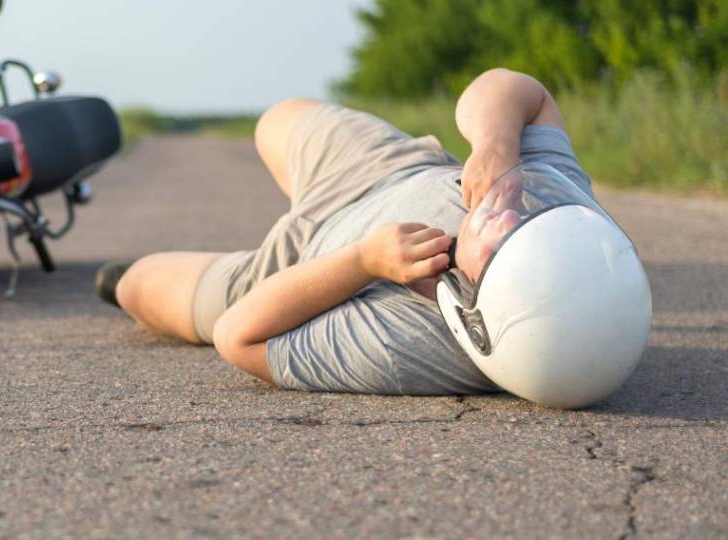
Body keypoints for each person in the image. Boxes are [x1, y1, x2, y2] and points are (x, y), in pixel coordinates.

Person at [97, 68, 603, 397]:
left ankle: (126, 282)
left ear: (481, 317)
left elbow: (238, 336)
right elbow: (521, 91)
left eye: (504, 246)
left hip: (299, 268)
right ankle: (304, 193)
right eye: (532, 223)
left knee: (135, 286)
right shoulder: (559, 210)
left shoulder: (418, 349)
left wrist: (362, 260)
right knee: (277, 118)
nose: (510, 217)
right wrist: (496, 141)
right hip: (385, 169)